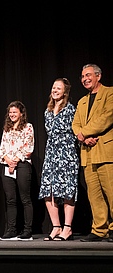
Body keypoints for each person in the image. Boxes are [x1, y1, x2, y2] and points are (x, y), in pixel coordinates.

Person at [72, 64, 113, 242]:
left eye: (88, 75)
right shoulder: (81, 101)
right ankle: (99, 229)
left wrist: (85, 132)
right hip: (88, 153)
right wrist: (82, 138)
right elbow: (75, 125)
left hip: (105, 150)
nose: (85, 79)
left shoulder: (109, 93)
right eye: (82, 76)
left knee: (111, 192)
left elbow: (107, 117)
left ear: (98, 76)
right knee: (94, 195)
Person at [39, 78, 79, 241]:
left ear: (65, 92)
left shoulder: (71, 109)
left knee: (67, 189)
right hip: (51, 153)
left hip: (67, 152)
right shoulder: (47, 111)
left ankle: (67, 228)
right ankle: (56, 226)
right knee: (48, 189)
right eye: (53, 87)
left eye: (58, 88)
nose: (55, 90)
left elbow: (76, 130)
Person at [0, 101, 34, 241]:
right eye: (10, 112)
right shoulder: (7, 128)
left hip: (22, 164)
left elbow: (28, 146)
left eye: (15, 112)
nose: (12, 114)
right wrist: (8, 160)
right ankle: (11, 229)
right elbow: (2, 148)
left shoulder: (27, 127)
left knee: (25, 199)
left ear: (21, 113)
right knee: (10, 200)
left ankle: (27, 230)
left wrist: (15, 160)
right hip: (7, 166)